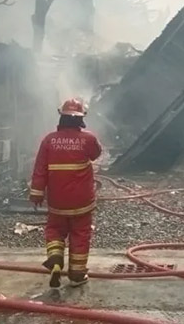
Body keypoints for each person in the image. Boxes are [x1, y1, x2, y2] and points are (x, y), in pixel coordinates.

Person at [29, 97, 103, 288]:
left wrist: (36, 193)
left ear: (61, 117)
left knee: (55, 229)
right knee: (80, 233)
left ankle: (55, 259)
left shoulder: (49, 140)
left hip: (57, 200)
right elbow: (96, 154)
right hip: (82, 201)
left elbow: (40, 169)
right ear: (80, 119)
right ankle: (77, 275)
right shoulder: (88, 139)